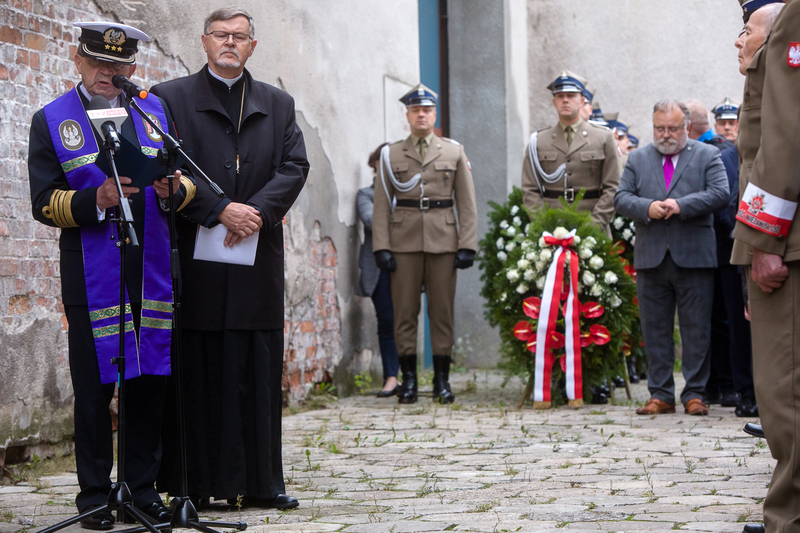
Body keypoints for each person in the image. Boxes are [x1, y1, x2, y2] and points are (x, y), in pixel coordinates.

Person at [27, 21, 187, 529]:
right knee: (95, 387)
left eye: (117, 65)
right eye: (97, 62)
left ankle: (142, 490)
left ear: (132, 68)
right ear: (78, 59)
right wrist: (93, 199)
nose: (106, 72)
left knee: (148, 382)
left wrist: (174, 191)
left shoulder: (153, 112)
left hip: (149, 266)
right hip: (89, 268)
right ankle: (94, 495)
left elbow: (184, 180)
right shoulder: (52, 119)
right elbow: (43, 202)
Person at [150, 7, 309, 509]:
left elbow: (295, 165)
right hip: (195, 259)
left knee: (254, 369)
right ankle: (193, 484)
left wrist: (254, 213)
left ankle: (263, 483)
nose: (230, 43)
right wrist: (219, 209)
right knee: (196, 370)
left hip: (256, 258)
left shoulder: (278, 104)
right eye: (221, 34)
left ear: (252, 47)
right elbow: (161, 169)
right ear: (204, 41)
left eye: (240, 36)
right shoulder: (169, 98)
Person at [731, 2, 800, 532]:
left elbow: (782, 140)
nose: (738, 39)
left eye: (746, 27)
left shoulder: (794, 19)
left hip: (787, 239)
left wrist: (763, 240)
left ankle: (789, 517)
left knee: (784, 393)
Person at [614, 100, 729, 416]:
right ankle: (661, 394)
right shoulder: (638, 158)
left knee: (697, 329)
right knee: (655, 330)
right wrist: (647, 207)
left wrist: (682, 205)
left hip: (694, 256)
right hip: (651, 257)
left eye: (673, 128)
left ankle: (695, 393)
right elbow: (621, 198)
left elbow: (721, 193)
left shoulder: (707, 155)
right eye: (660, 128)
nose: (665, 134)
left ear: (686, 127)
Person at [371, 83, 478, 405]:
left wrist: (467, 244)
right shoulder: (391, 154)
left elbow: (466, 202)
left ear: (435, 114)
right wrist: (381, 246)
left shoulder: (453, 151)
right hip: (403, 243)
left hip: (444, 242)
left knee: (442, 313)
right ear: (407, 115)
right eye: (416, 110)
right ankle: (410, 381)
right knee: (405, 313)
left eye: (427, 110)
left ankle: (442, 382)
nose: (421, 115)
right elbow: (381, 205)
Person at [521, 70, 620, 234]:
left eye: (571, 95)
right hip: (551, 231)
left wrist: (594, 225)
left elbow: (613, 187)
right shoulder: (538, 141)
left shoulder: (603, 138)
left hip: (593, 227)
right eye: (560, 96)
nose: (565, 100)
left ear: (581, 101)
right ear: (554, 102)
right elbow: (530, 189)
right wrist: (545, 225)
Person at [356, 143, 400, 397]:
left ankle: (409, 377)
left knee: (406, 322)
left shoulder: (408, 195)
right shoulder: (365, 194)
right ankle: (391, 377)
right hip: (378, 268)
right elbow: (373, 221)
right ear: (375, 164)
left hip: (407, 265)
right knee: (387, 321)